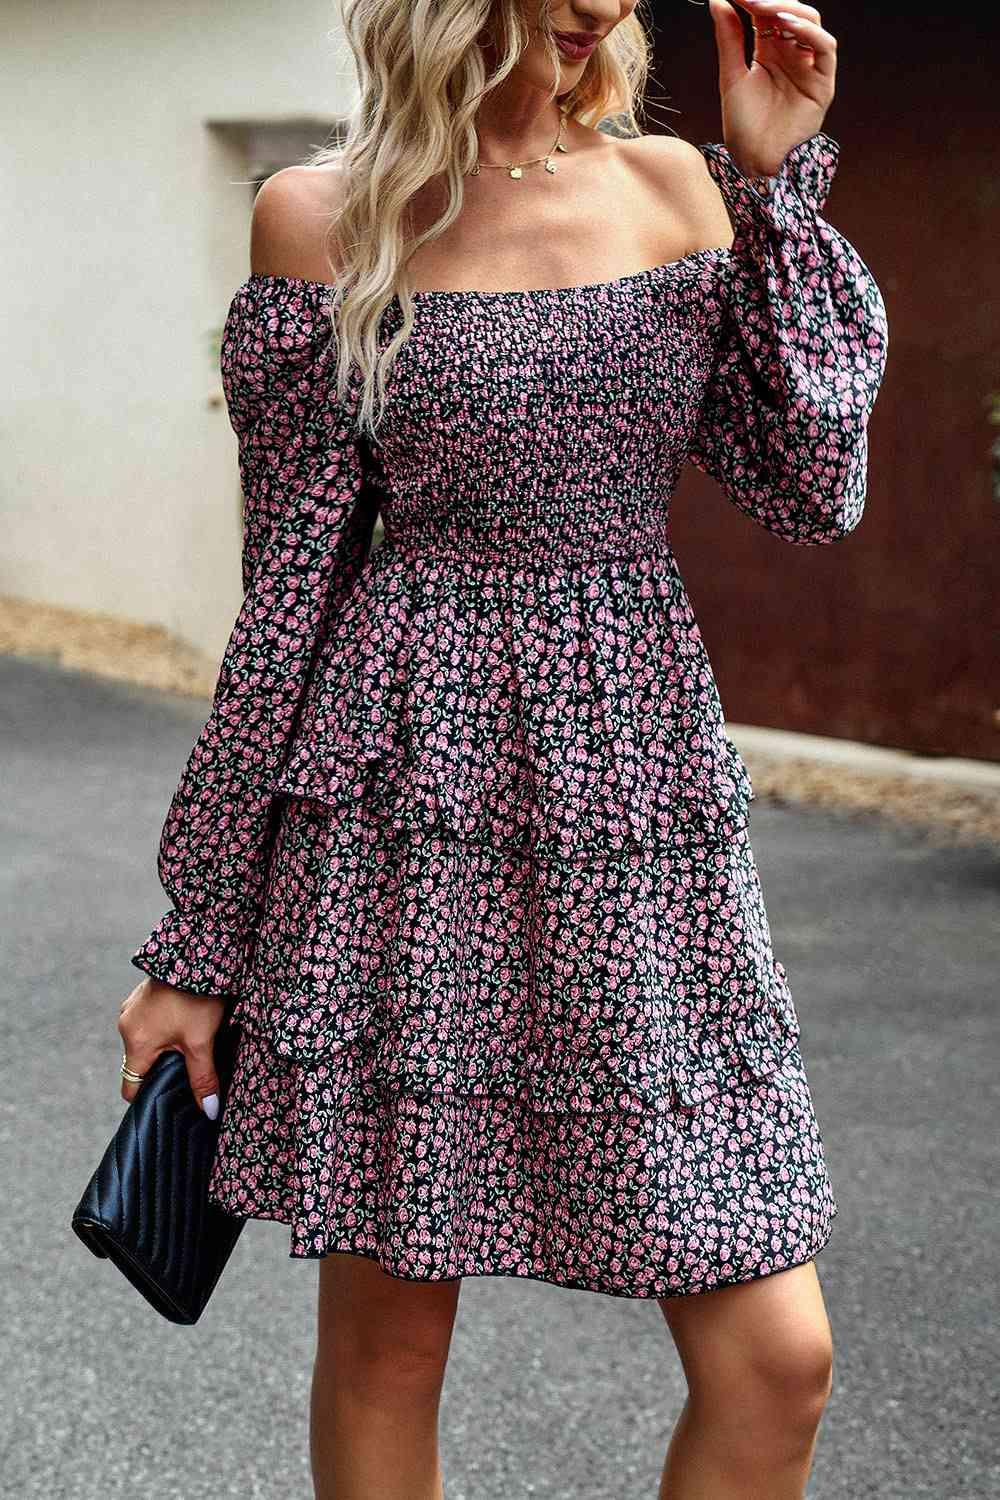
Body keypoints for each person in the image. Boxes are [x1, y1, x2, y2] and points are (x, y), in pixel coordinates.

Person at [116, 1, 888, 1496]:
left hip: (636, 800)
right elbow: (290, 597)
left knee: (776, 1360)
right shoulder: (323, 217)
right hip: (408, 795)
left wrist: (777, 183)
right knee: (392, 1351)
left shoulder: (679, 190)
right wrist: (200, 940)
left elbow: (809, 486)